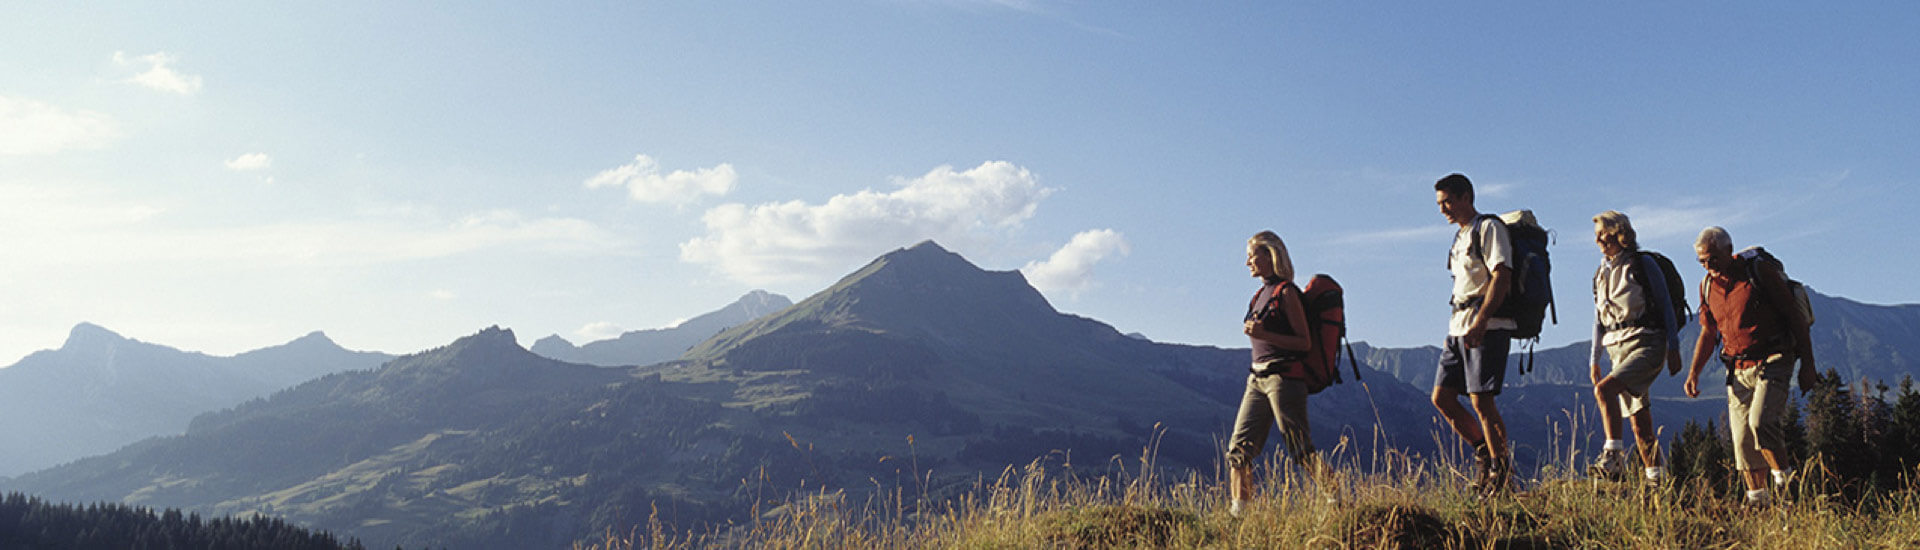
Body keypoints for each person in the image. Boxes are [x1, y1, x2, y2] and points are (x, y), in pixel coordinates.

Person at [1683, 226, 1819, 506]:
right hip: (1737, 368)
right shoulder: (1707, 286)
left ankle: (1787, 490)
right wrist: (1694, 372)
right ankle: (1758, 502)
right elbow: (1708, 333)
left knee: (1762, 422)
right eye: (1702, 262)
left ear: (1728, 251)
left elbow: (1794, 316)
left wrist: (1808, 364)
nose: (1708, 266)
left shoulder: (1758, 273)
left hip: (1774, 358)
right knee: (1743, 442)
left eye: (1712, 259)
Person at [1226, 230, 1329, 517]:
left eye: (1252, 256)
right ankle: (1239, 515)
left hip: (1284, 379)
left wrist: (1264, 333)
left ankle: (1337, 499)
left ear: (1270, 255)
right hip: (1256, 379)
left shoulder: (1286, 292)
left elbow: (1303, 343)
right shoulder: (1260, 294)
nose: (1248, 262)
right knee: (1238, 450)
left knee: (1299, 448)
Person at [1431, 173, 1516, 496]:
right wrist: (1454, 331)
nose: (1443, 210)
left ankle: (1501, 472)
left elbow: (1502, 276)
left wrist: (1482, 321)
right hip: (1458, 327)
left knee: (1482, 400)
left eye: (1448, 201)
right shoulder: (1459, 238)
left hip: (1487, 326)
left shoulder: (1489, 229)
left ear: (1467, 196)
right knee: (1442, 397)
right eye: (1440, 203)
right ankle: (1485, 453)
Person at [1585, 211, 1684, 483]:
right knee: (1641, 425)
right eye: (1596, 235)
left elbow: (1664, 305)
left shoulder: (1643, 264)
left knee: (1604, 389)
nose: (1598, 240)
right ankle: (1657, 480)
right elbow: (1598, 320)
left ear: (1620, 233)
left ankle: (1613, 456)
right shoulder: (1600, 274)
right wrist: (1594, 359)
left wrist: (1673, 347)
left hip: (1647, 343)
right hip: (1616, 349)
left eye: (1603, 233)